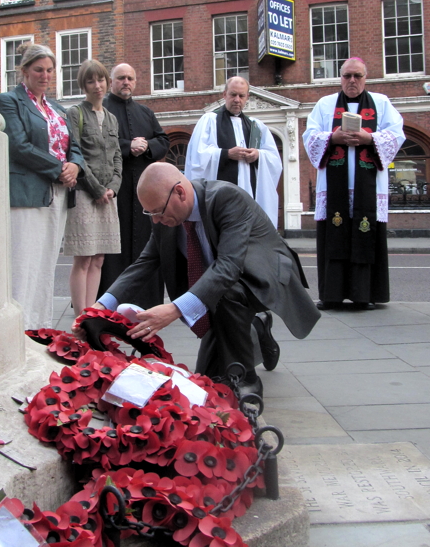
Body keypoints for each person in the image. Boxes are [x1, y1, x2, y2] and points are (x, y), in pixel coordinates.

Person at [76, 163, 320, 399]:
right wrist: (100, 308)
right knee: (207, 378)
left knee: (225, 295)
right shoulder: (165, 217)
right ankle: (256, 328)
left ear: (180, 192)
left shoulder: (226, 198)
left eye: (158, 212)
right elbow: (145, 263)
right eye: (149, 214)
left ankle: (245, 382)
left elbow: (228, 266)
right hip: (223, 283)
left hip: (261, 271)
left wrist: (174, 309)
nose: (156, 221)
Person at [184, 76, 283, 371]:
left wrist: (258, 156)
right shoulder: (209, 122)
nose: (237, 100)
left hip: (248, 214)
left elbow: (274, 161)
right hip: (219, 213)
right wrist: (226, 153)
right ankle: (246, 333)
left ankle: (248, 331)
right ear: (223, 94)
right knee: (222, 269)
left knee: (245, 271)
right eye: (232, 95)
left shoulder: (257, 128)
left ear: (248, 97)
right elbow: (197, 159)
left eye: (242, 96)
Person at [303, 57, 405, 310]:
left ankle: (364, 294)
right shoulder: (325, 105)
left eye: (357, 76)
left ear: (365, 78)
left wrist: (369, 138)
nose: (351, 81)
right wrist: (333, 136)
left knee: (364, 232)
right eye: (347, 76)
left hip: (368, 189)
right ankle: (331, 295)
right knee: (334, 237)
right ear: (340, 78)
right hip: (334, 187)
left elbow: (396, 133)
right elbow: (310, 136)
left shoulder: (381, 103)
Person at [0, 43, 85, 329]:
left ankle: (40, 326)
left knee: (46, 264)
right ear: (24, 71)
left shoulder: (58, 108)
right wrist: (59, 169)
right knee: (24, 262)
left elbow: (75, 146)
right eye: (38, 70)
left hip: (59, 194)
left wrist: (75, 166)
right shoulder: (9, 101)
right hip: (28, 193)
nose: (45, 75)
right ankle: (18, 328)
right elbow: (19, 146)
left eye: (49, 70)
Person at [99, 63, 170, 309]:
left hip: (143, 190)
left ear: (136, 81)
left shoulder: (145, 112)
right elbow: (99, 144)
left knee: (145, 245)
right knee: (112, 249)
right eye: (120, 78)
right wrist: (129, 146)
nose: (125, 82)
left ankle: (145, 300)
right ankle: (108, 302)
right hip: (113, 188)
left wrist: (147, 146)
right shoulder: (102, 108)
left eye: (130, 78)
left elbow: (163, 140)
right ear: (111, 81)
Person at [64, 60, 122, 316]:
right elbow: (75, 155)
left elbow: (118, 157)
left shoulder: (111, 118)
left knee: (98, 259)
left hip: (108, 197)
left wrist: (113, 188)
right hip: (86, 195)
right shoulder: (75, 114)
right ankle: (80, 319)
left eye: (100, 80)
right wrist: (98, 189)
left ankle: (90, 315)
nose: (97, 86)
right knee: (84, 258)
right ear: (83, 85)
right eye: (91, 81)